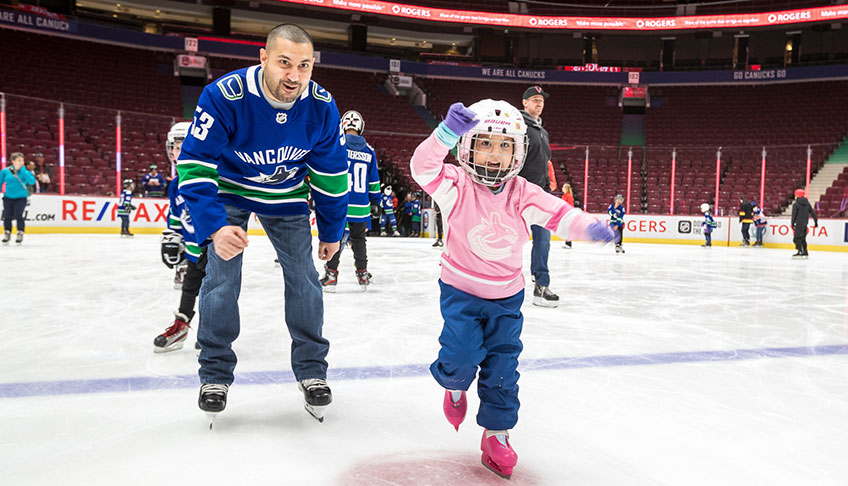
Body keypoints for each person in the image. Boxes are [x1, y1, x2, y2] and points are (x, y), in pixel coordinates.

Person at [410, 99, 613, 479]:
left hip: (507, 299)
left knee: (503, 368)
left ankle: (497, 434)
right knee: (462, 355)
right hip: (461, 293)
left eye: (505, 146)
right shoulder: (455, 184)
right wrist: (444, 134)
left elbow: (558, 214)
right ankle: (454, 385)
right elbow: (422, 167)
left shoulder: (523, 192)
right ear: (467, 146)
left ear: (518, 152)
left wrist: (587, 227)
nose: (494, 154)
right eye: (485, 143)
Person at [176, 23, 348, 423]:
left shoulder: (321, 106)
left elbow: (331, 175)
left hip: (286, 195)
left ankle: (312, 372)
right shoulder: (223, 96)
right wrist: (216, 228)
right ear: (264, 57)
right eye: (285, 62)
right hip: (229, 191)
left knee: (304, 276)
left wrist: (332, 230)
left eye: (304, 66)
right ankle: (215, 375)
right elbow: (194, 166)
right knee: (221, 277)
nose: (294, 75)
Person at [154, 121, 207, 353]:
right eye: (173, 147)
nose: (174, 152)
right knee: (189, 288)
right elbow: (176, 216)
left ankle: (211, 331)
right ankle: (182, 325)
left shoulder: (212, 177)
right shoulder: (176, 184)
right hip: (195, 251)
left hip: (216, 250)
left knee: (215, 292)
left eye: (179, 146)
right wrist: (173, 239)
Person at [319, 109, 381, 292]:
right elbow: (374, 180)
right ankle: (362, 274)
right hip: (361, 205)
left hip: (339, 202)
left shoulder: (336, 145)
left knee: (335, 238)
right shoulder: (369, 151)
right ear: (360, 128)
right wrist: (376, 201)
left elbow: (328, 172)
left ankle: (331, 275)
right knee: (359, 239)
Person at [518, 85, 558, 307]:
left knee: (543, 239)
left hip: (540, 194)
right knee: (507, 239)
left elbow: (544, 162)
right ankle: (494, 283)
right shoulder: (517, 126)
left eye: (541, 100)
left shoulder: (542, 131)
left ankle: (541, 284)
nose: (539, 103)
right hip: (518, 194)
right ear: (524, 103)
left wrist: (547, 189)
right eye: (534, 99)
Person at [1, 152, 36, 245]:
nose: (21, 162)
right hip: (8, 197)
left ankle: (20, 232)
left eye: (22, 160)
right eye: (19, 160)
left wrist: (23, 171)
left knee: (18, 215)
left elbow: (32, 182)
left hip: (21, 197)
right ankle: (7, 233)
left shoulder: (25, 172)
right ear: (13, 161)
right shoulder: (6, 171)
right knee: (7, 216)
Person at [790, 188, 818, 259]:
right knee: (803, 238)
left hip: (798, 223)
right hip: (805, 223)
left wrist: (792, 224)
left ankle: (800, 251)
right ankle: (805, 251)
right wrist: (816, 222)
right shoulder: (807, 203)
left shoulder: (796, 204)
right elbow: (813, 212)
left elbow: (794, 215)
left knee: (796, 238)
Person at [561, 183, 574, 248]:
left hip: (568, 214)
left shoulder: (568, 196)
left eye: (563, 187)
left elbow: (570, 205)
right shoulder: (564, 195)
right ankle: (567, 242)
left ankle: (568, 243)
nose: (562, 188)